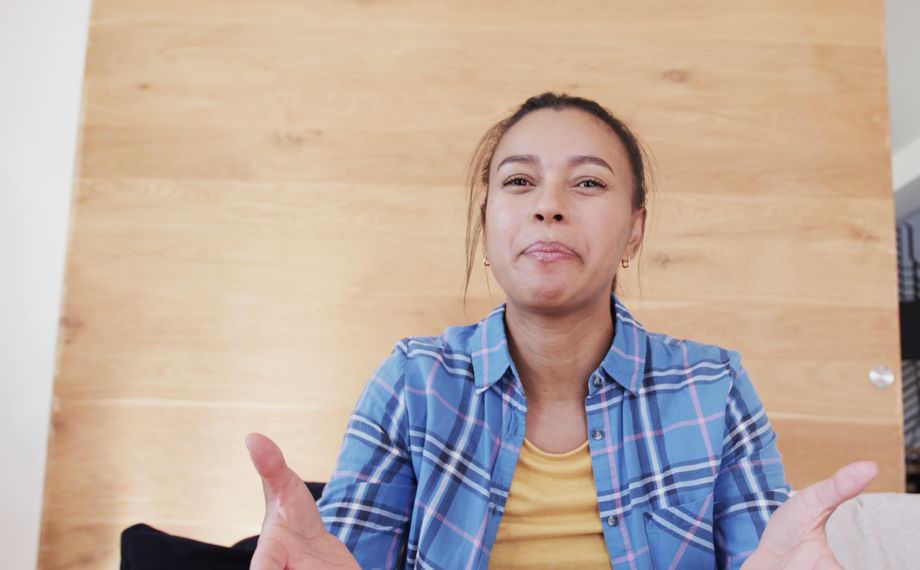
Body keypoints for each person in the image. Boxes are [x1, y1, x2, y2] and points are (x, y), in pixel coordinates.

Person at [244, 92, 879, 570]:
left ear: (635, 230)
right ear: (487, 223)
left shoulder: (714, 386)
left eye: (588, 183)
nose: (549, 205)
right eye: (519, 181)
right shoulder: (414, 381)